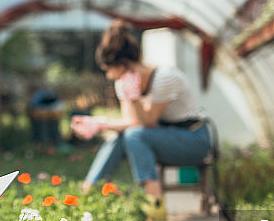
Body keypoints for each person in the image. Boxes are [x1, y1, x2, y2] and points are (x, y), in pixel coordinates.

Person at [71, 19, 212, 208]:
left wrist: (134, 97)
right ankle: (88, 191)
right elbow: (130, 121)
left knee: (135, 135)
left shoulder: (165, 78)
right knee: (123, 136)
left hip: (194, 140)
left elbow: (148, 122)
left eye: (108, 70)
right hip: (163, 138)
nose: (109, 76)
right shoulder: (122, 83)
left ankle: (154, 202)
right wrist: (98, 123)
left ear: (122, 65)